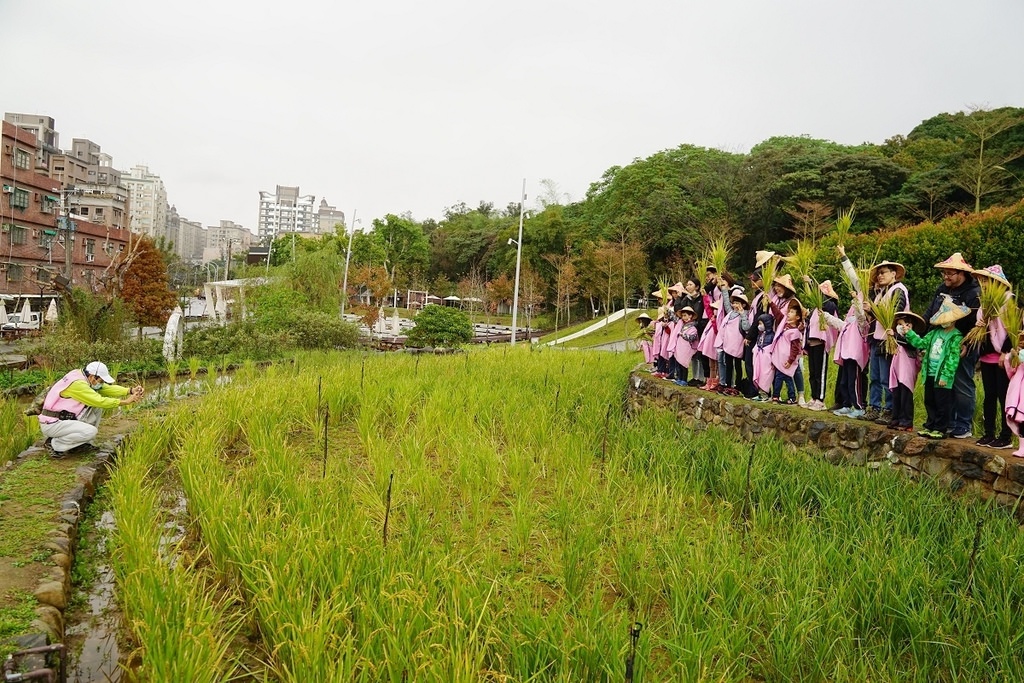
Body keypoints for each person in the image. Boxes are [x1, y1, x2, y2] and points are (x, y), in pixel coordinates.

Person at [922, 253, 982, 439]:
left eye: (950, 273)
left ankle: (963, 425)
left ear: (962, 273)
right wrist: (922, 337)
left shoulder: (974, 293)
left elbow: (976, 324)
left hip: (962, 344)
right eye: (944, 273)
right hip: (941, 342)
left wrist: (966, 344)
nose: (946, 277)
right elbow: (931, 314)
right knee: (942, 386)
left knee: (962, 383)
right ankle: (946, 423)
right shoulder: (942, 289)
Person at [38, 361, 144, 456]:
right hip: (53, 424)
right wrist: (126, 401)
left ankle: (81, 444)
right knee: (91, 431)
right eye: (101, 381)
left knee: (96, 408)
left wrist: (130, 391)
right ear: (93, 377)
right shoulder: (78, 384)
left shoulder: (82, 376)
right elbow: (99, 400)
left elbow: (107, 388)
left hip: (63, 419)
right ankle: (54, 444)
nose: (101, 384)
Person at [904, 295, 969, 440]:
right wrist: (909, 333)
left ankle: (941, 428)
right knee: (930, 400)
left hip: (943, 376)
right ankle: (930, 425)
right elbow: (920, 343)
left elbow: (953, 358)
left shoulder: (956, 337)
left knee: (942, 403)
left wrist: (946, 375)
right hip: (930, 373)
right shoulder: (933, 333)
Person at [973, 265, 1014, 449]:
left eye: (986, 280)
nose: (983, 284)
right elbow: (981, 330)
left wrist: (1005, 352)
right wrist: (980, 325)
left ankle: (1005, 436)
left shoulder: (1008, 300)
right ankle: (988, 433)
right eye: (981, 280)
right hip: (987, 356)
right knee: (989, 396)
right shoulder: (983, 303)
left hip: (1003, 357)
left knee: (1004, 395)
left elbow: (1014, 329)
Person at [864, 260, 910, 424]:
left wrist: (873, 310)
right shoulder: (882, 292)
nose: (880, 275)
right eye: (879, 273)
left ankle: (889, 409)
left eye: (883, 272)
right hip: (877, 338)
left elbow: (896, 314)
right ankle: (874, 407)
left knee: (886, 378)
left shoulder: (898, 290)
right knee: (875, 376)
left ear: (893, 273)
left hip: (889, 339)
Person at [804, 279, 840, 411]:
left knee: (821, 372)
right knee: (812, 372)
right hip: (812, 342)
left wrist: (811, 283)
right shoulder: (815, 309)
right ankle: (813, 397)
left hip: (821, 343)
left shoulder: (830, 306)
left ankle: (820, 398)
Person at [888, 311, 925, 432]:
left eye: (905, 324)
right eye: (899, 324)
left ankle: (907, 421)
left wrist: (896, 336)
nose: (902, 327)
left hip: (907, 370)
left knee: (906, 395)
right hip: (897, 369)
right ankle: (896, 418)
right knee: (896, 394)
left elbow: (909, 345)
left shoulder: (914, 338)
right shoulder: (896, 339)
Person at [769, 299, 805, 404]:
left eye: (792, 312)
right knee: (784, 377)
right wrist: (771, 303)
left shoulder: (795, 332)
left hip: (786, 359)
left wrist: (790, 360)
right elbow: (778, 314)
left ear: (797, 317)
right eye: (789, 312)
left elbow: (795, 348)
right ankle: (789, 397)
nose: (788, 314)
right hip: (781, 357)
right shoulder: (784, 324)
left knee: (784, 378)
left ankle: (778, 396)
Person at [1004, 333, 1024, 457]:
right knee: (1021, 419)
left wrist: (1020, 355)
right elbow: (1012, 369)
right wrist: (1012, 356)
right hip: (1019, 390)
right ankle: (1022, 448)